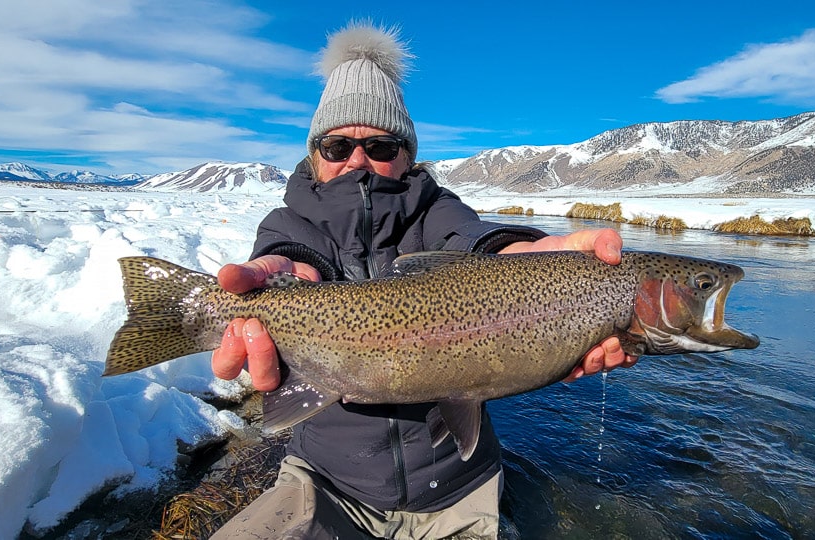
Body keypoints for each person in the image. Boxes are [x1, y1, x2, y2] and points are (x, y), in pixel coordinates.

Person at [208, 22, 636, 540]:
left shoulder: (438, 213)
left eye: (382, 147)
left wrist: (522, 257)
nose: (358, 161)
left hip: (460, 485)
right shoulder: (288, 225)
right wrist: (282, 274)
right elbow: (288, 254)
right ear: (314, 156)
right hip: (325, 481)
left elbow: (473, 239)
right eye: (337, 145)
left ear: (409, 155)